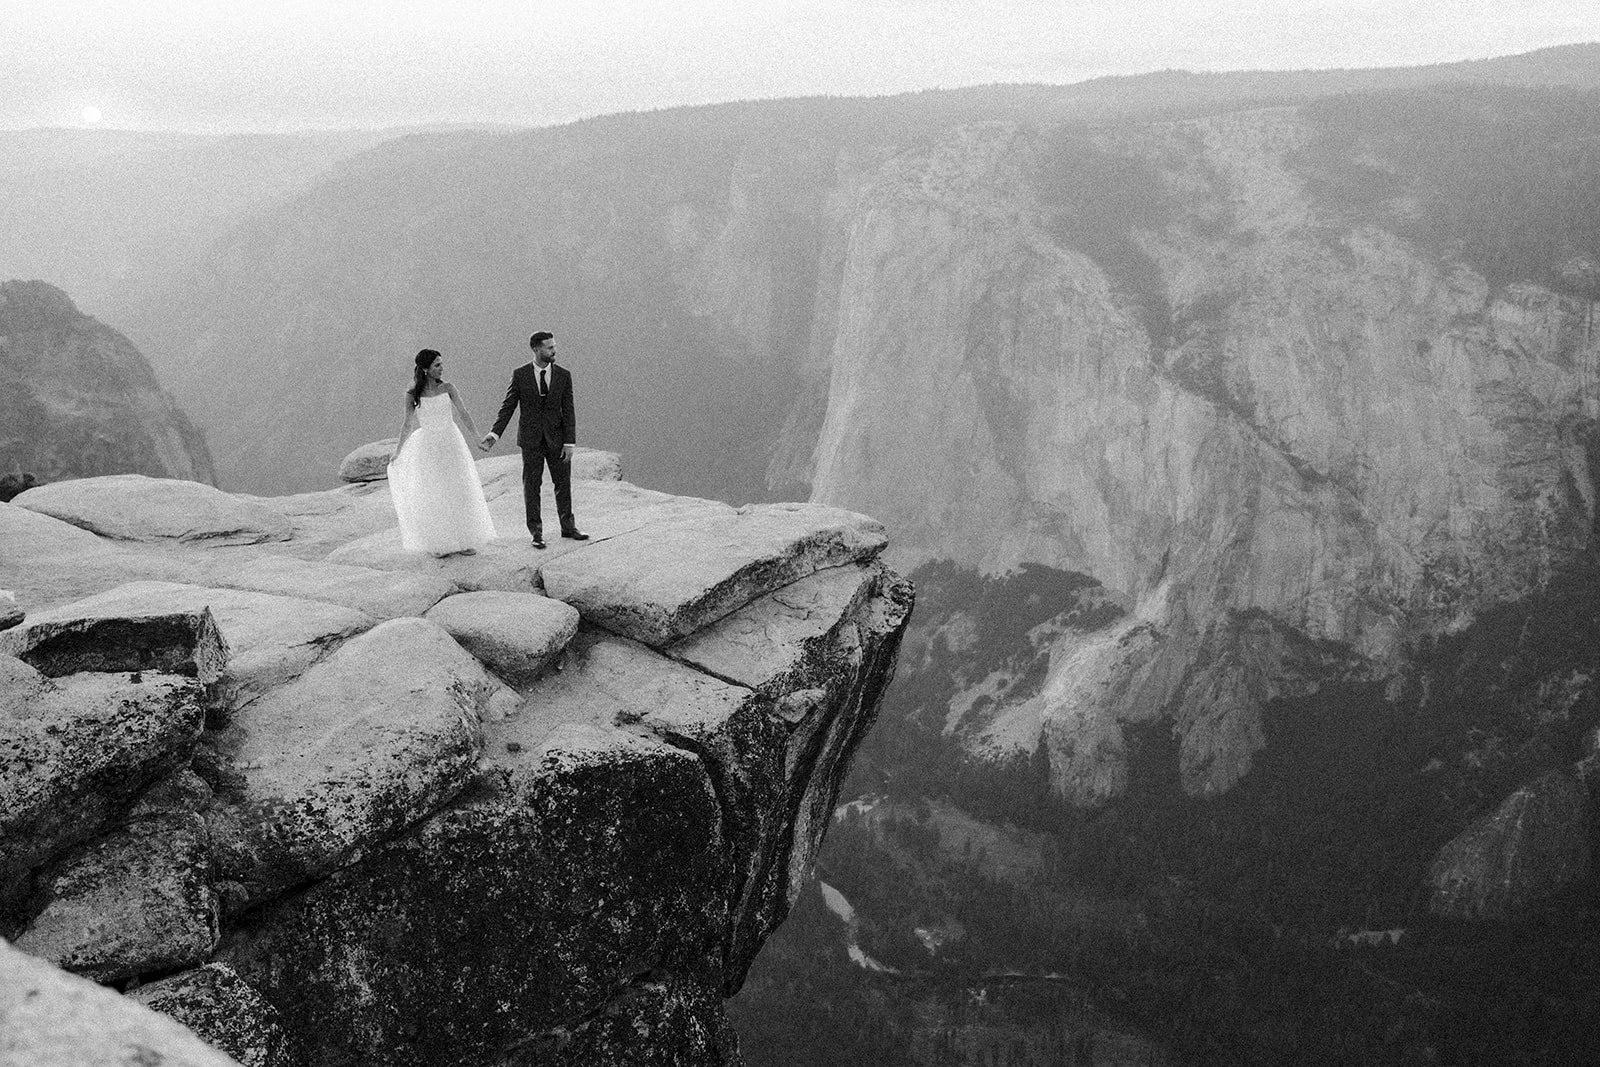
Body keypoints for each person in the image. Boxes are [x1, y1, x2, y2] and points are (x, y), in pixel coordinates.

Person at [480, 331, 588, 549]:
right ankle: (536, 533)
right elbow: (508, 406)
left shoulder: (564, 375)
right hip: (531, 441)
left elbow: (569, 409)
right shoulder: (520, 375)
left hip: (557, 440)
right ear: (536, 349)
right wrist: (494, 434)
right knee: (532, 486)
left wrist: (569, 442)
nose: (554, 350)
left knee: (563, 484)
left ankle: (568, 527)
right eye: (549, 347)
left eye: (554, 346)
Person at [389, 348, 497, 556]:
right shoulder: (413, 394)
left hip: (451, 441)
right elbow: (407, 424)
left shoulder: (448, 388)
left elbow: (464, 413)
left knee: (458, 488)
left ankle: (465, 539)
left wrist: (476, 438)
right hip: (429, 444)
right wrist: (398, 451)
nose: (441, 368)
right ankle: (440, 542)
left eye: (441, 364)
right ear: (425, 369)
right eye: (437, 365)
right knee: (434, 492)